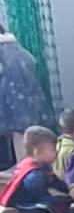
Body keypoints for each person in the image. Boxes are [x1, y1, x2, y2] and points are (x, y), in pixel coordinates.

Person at [0, 126, 74, 213]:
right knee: (51, 207)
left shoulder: (43, 166)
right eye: (53, 150)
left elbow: (55, 182)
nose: (56, 152)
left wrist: (68, 188)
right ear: (37, 151)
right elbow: (41, 197)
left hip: (34, 201)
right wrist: (67, 199)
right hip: (24, 205)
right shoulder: (34, 174)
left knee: (58, 204)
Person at [0, 15, 49, 158]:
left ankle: (25, 165)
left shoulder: (4, 49)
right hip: (25, 96)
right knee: (23, 132)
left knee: (18, 132)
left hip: (11, 98)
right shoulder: (13, 46)